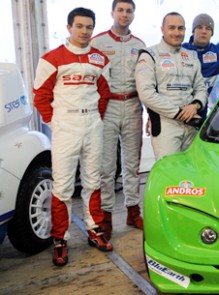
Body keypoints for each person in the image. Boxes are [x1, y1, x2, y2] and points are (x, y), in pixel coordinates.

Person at [33, 7, 113, 267]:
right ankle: (60, 239)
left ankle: (94, 229)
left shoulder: (99, 59)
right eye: (79, 26)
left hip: (92, 123)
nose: (85, 31)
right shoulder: (51, 58)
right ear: (69, 27)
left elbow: (104, 92)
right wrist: (55, 122)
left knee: (93, 179)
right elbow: (41, 96)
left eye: (89, 27)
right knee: (63, 185)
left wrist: (96, 118)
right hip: (65, 125)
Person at [91, 0, 146, 241]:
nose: (124, 15)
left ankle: (133, 212)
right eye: (120, 10)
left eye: (129, 11)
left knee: (132, 163)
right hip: (108, 106)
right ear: (112, 13)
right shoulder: (98, 42)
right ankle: (106, 216)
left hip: (133, 104)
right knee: (106, 166)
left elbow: (147, 81)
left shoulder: (140, 45)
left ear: (134, 14)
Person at [135, 12, 208, 160]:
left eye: (180, 28)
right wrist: (179, 113)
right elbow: (146, 94)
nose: (176, 32)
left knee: (192, 173)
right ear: (162, 29)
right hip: (166, 125)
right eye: (172, 28)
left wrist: (194, 106)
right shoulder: (149, 55)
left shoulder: (192, 56)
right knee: (169, 175)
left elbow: (201, 88)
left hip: (191, 124)